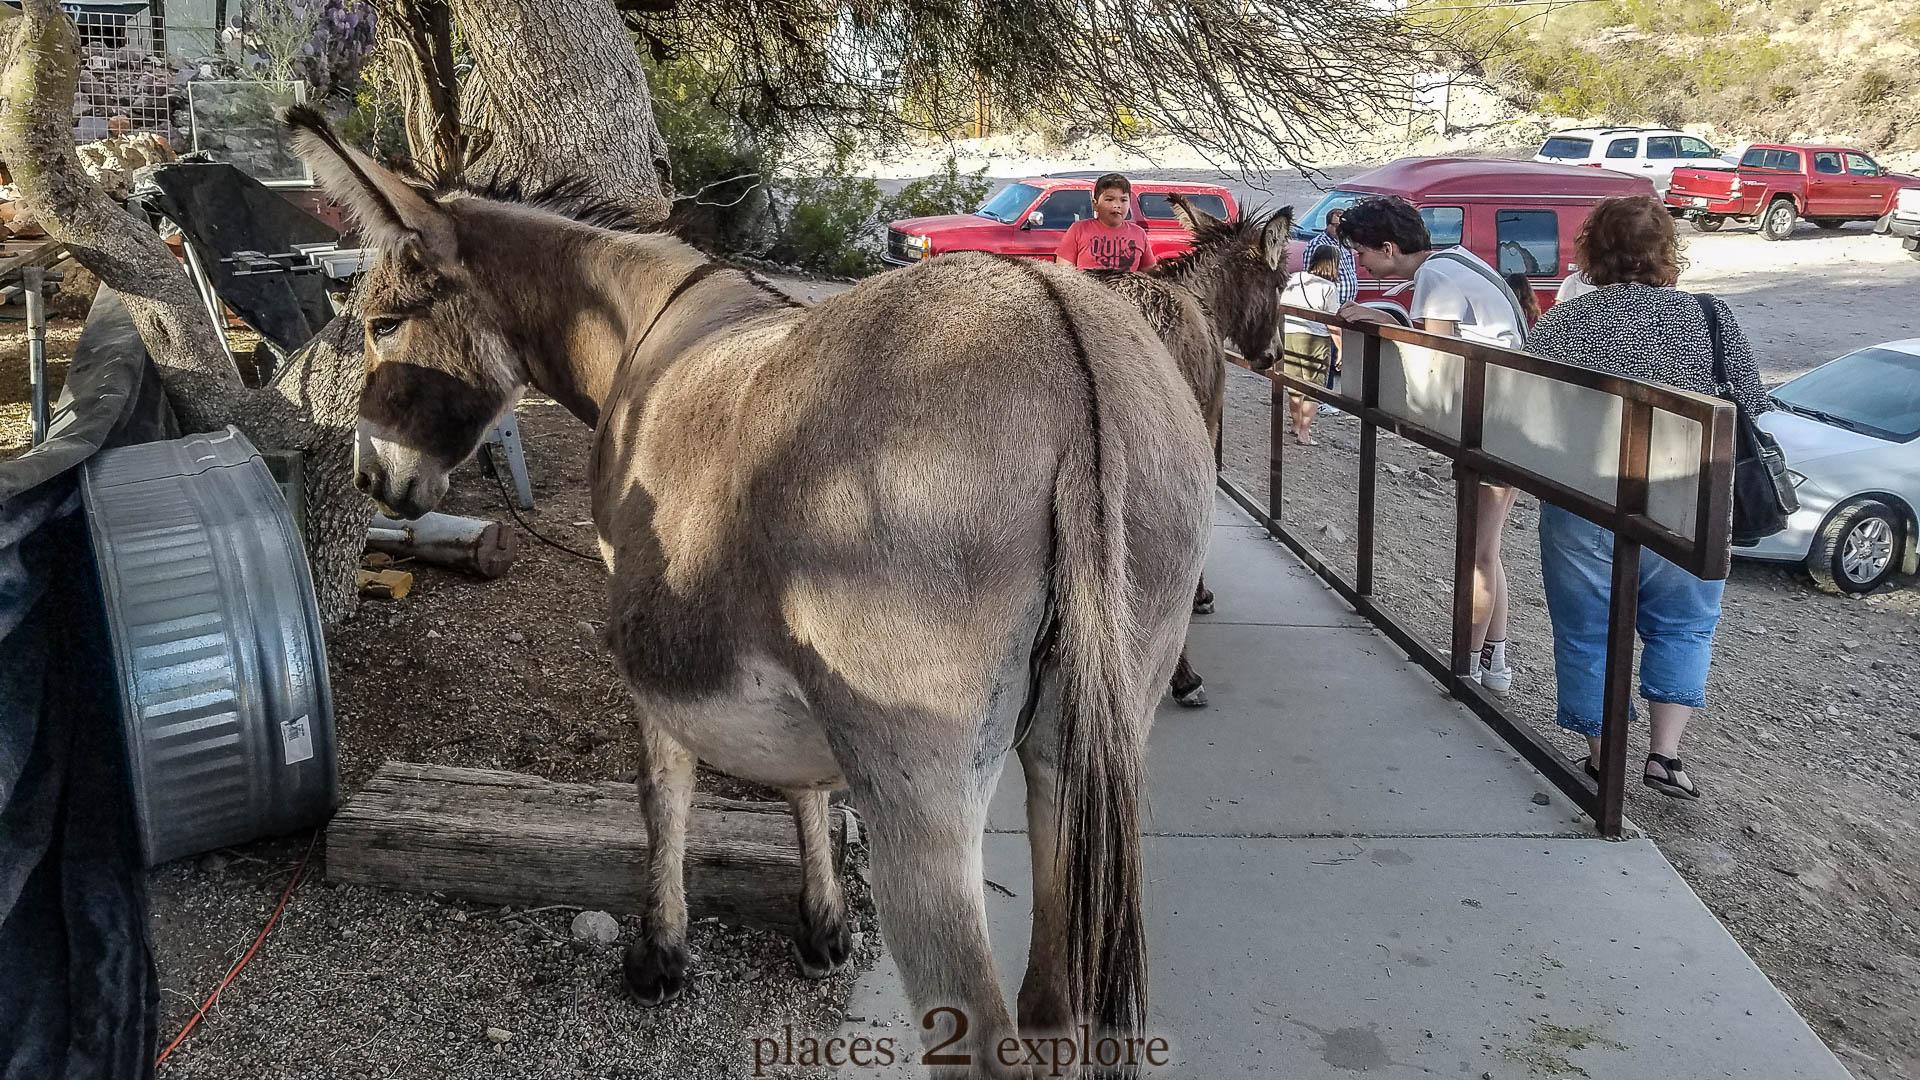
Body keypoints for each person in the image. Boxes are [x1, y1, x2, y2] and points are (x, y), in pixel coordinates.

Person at [1528, 195, 1768, 800]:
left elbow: (1530, 407)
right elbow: (1751, 405)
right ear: (1667, 252)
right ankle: (1665, 757)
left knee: (1587, 630)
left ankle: (1604, 761)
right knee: (1684, 627)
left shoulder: (1569, 322)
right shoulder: (1710, 318)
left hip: (1587, 496)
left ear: (1591, 251)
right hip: (1687, 499)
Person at [1335, 196, 1526, 694]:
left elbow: (1436, 360)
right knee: (1488, 549)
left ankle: (1462, 664)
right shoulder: (1456, 259)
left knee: (1477, 552)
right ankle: (1494, 662)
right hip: (1509, 416)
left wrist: (1380, 324)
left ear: (1388, 247)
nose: (1363, 264)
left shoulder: (1435, 278)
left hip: (1491, 422)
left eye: (1363, 254)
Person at [1273, 246, 1341, 445]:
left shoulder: (1294, 278)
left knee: (1294, 383)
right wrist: (1341, 349)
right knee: (1314, 386)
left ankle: (1295, 425)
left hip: (1291, 334)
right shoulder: (1328, 287)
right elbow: (1332, 324)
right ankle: (1305, 431)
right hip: (1317, 339)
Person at [1054, 173, 1159, 272]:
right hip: (1087, 290)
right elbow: (1064, 272)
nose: (1117, 205)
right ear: (1095, 205)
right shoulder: (1078, 230)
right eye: (1109, 199)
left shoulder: (1139, 233)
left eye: (1123, 200)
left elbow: (1150, 274)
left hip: (1126, 290)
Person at [1301, 208, 1359, 306]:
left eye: (1343, 226)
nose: (1340, 229)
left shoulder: (1345, 243)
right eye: (1336, 226)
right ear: (1328, 225)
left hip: (1347, 304)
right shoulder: (1318, 244)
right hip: (1327, 304)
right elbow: (1309, 276)